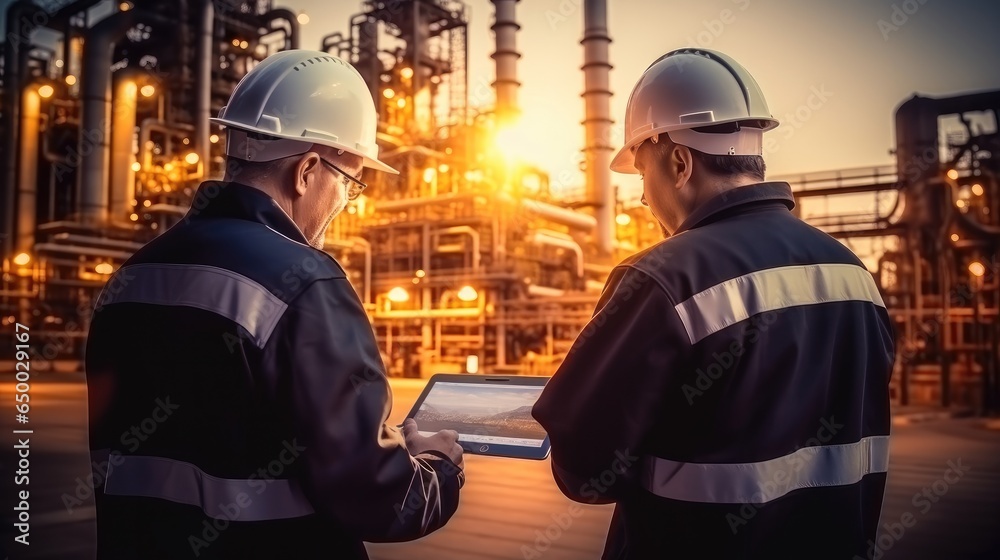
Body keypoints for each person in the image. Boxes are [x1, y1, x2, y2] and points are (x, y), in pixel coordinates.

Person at [85, 50, 464, 559]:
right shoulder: (303, 283)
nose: (344, 202)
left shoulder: (132, 275)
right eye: (349, 184)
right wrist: (437, 467)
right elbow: (377, 498)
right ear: (308, 170)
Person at [532, 48, 894, 559]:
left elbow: (586, 469)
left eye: (641, 177)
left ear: (679, 163)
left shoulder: (663, 277)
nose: (642, 199)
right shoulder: (853, 274)